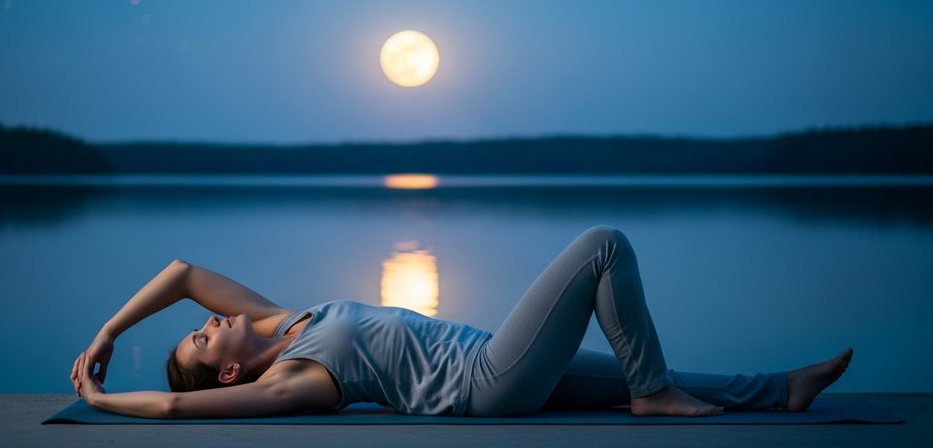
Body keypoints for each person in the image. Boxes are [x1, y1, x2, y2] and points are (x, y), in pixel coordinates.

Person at [71, 226, 852, 419]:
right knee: (603, 248)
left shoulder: (279, 318)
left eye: (202, 325)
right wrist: (107, 404)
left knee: (647, 375)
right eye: (205, 337)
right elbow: (176, 406)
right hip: (490, 386)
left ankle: (780, 390)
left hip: (493, 359)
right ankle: (652, 395)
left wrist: (109, 332)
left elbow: (178, 274)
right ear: (231, 371)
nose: (209, 319)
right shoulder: (296, 377)